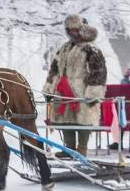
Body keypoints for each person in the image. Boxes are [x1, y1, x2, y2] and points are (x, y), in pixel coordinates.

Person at [43, 14, 107, 157]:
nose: (72, 33)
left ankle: (82, 148)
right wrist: (48, 87)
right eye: (69, 30)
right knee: (65, 120)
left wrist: (93, 92)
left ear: (82, 29)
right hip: (62, 90)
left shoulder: (91, 48)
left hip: (82, 90)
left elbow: (98, 71)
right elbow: (54, 69)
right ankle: (69, 149)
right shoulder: (64, 48)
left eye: (75, 29)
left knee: (83, 119)